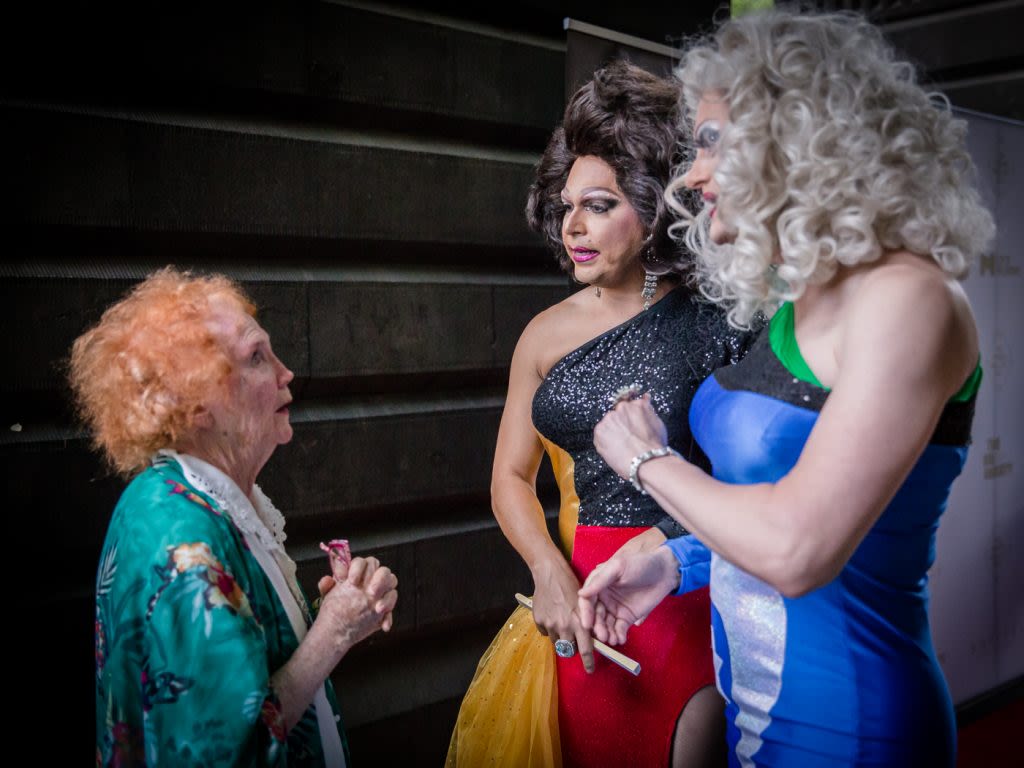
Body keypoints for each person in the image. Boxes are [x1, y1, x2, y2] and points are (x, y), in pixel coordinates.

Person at [579, 9, 995, 768]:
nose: (693, 175)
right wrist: (674, 561)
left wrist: (645, 462)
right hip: (755, 724)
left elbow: (800, 546)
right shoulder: (794, 307)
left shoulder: (912, 299)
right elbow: (766, 493)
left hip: (854, 734)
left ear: (799, 138)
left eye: (710, 143)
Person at [447, 61, 760, 768]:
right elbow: (510, 480)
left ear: (651, 207)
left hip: (689, 585)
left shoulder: (724, 319)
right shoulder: (543, 333)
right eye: (565, 208)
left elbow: (754, 480)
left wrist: (669, 549)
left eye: (599, 205)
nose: (573, 228)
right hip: (581, 596)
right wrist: (549, 570)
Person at [74, 268, 398, 767]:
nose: (285, 373)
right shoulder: (181, 540)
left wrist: (338, 615)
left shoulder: (195, 498)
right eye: (256, 357)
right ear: (196, 401)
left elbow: (240, 670)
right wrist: (332, 633)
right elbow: (231, 748)